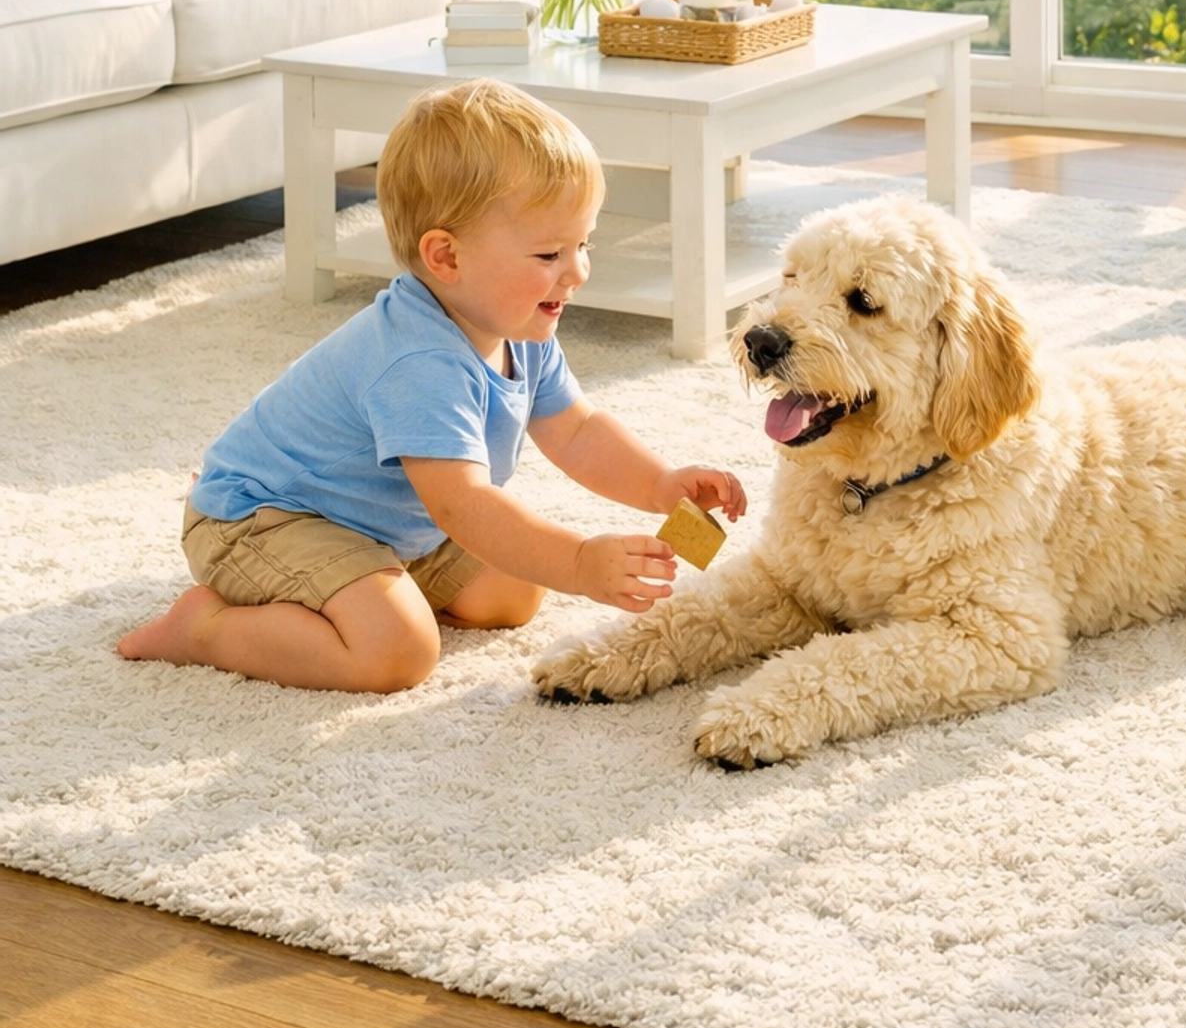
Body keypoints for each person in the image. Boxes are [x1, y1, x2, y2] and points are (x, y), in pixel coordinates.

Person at [117, 78, 745, 693]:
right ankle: (204, 630)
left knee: (516, 589)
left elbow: (577, 431)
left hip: (377, 528)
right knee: (398, 652)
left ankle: (362, 590)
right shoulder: (418, 360)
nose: (577, 271)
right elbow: (463, 506)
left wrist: (659, 484)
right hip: (262, 520)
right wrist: (581, 561)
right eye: (549, 254)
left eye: (584, 243)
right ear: (445, 257)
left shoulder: (521, 329)